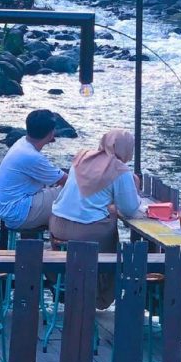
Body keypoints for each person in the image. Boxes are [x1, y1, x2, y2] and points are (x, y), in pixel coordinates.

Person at [49, 128, 142, 307]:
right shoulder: (120, 170)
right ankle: (99, 294)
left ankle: (70, 288)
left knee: (107, 216)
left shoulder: (82, 157)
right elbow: (130, 209)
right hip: (85, 232)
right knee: (111, 232)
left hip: (57, 226)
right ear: (127, 148)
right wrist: (135, 187)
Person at [0, 109, 67, 232]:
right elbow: (67, 181)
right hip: (19, 212)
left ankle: (59, 238)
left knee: (64, 195)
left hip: (12, 209)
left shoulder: (22, 143)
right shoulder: (31, 156)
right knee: (69, 193)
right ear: (51, 133)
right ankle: (72, 238)